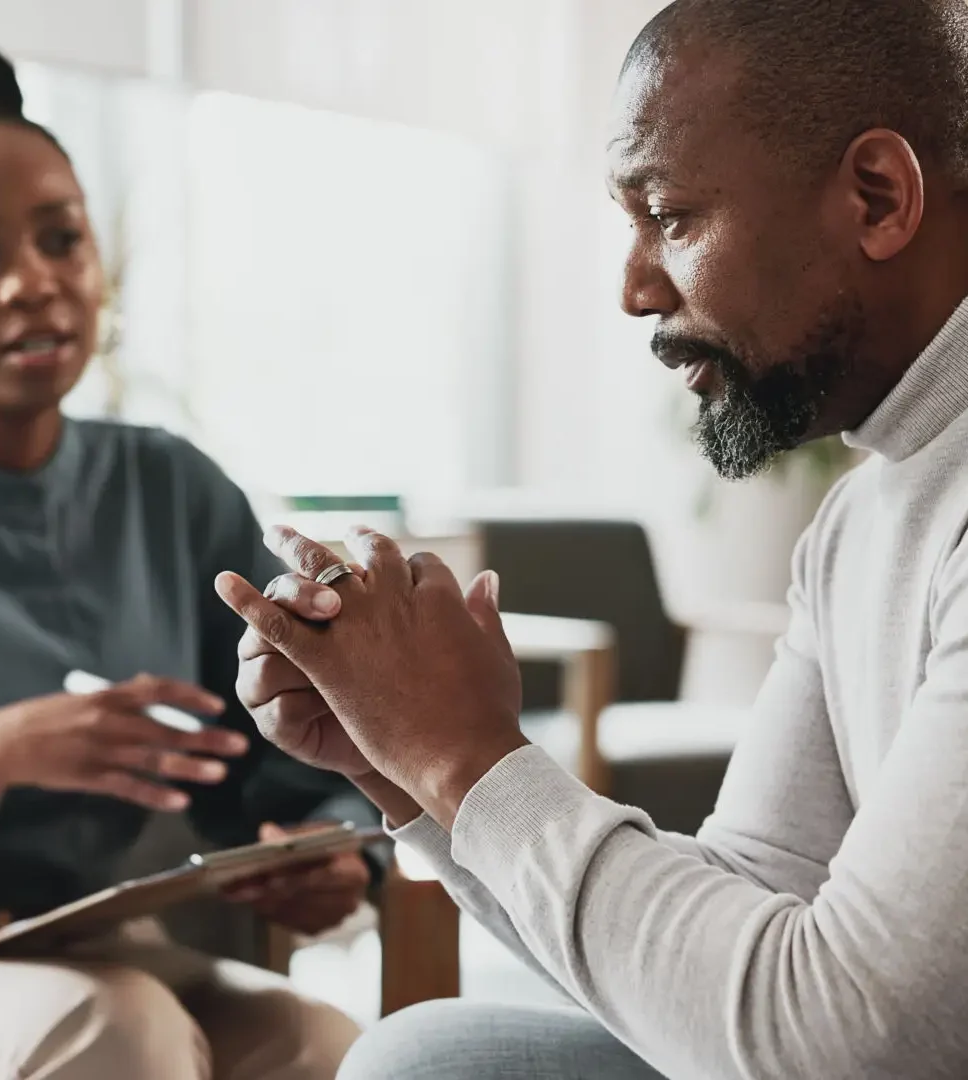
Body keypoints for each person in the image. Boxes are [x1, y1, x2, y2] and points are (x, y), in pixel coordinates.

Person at [220, 0, 968, 1077]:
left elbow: (848, 1042)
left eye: (668, 215)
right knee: (427, 1056)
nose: (633, 288)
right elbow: (748, 901)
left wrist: (466, 757)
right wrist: (413, 774)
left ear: (878, 196)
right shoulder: (860, 514)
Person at [0, 26, 373, 1080]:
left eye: (61, 239)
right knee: (118, 1034)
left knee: (322, 1041)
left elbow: (285, 751)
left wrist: (328, 847)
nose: (31, 283)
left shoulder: (168, 485)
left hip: (96, 942)